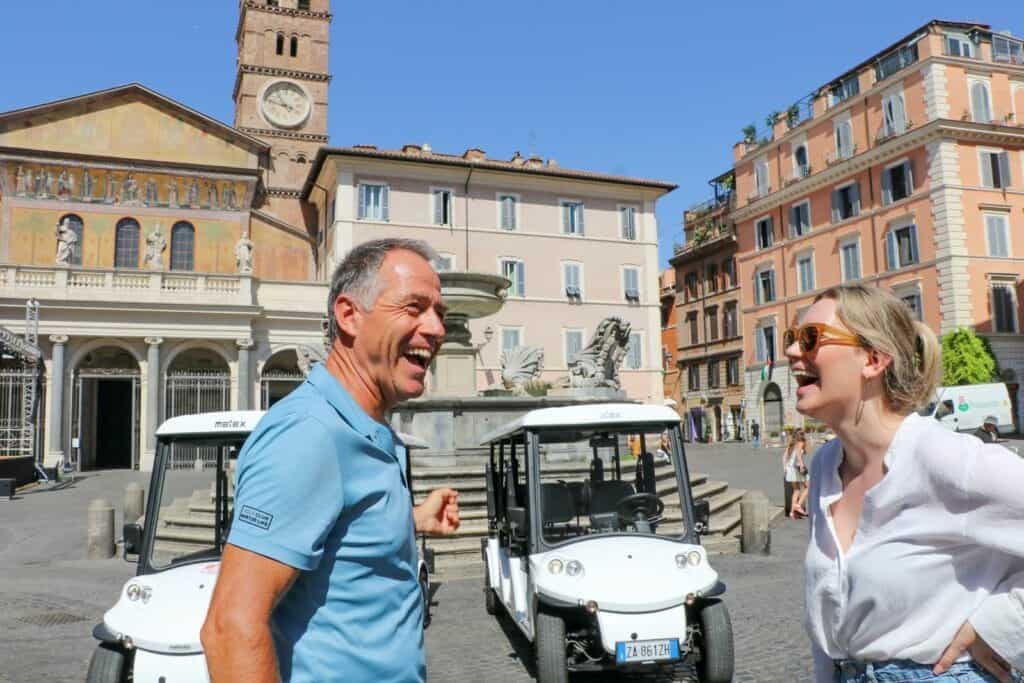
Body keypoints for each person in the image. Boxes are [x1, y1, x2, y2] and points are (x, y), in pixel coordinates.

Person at [201, 239, 461, 683]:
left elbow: (340, 532)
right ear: (349, 315)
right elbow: (231, 629)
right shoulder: (309, 434)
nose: (436, 328)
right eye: (414, 307)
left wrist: (410, 518)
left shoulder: (362, 427)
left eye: (440, 313)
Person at [786, 284, 1023, 683]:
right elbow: (829, 621)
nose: (793, 352)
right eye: (792, 339)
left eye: (810, 339)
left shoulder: (947, 458)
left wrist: (1000, 628)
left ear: (874, 360)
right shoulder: (826, 464)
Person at [783, 429, 809, 519]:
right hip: (797, 468)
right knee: (808, 486)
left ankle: (791, 512)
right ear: (802, 435)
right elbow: (798, 454)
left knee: (796, 490)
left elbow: (784, 456)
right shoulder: (800, 442)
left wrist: (785, 468)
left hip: (790, 469)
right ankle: (798, 505)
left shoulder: (791, 444)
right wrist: (801, 465)